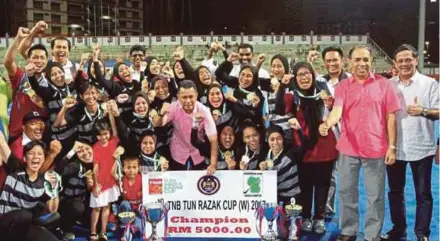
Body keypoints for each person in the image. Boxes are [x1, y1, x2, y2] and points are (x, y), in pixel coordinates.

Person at [319, 46, 401, 241]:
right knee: (346, 191)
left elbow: (391, 117)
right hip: (348, 148)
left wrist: (392, 147)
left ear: (371, 61)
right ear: (350, 62)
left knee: (376, 195)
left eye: (365, 59)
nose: (362, 64)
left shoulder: (385, 85)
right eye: (357, 60)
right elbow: (337, 110)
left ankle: (372, 235)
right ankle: (348, 230)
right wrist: (328, 123)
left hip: (376, 147)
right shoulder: (343, 87)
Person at [381, 44, 439, 241]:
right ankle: (399, 229)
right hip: (395, 147)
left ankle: (422, 233)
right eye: (401, 60)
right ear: (395, 64)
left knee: (423, 193)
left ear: (416, 60)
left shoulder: (429, 83)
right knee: (395, 192)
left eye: (408, 59)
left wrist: (422, 110)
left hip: (422, 146)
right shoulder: (388, 85)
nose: (405, 63)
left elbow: (439, 111)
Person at [0, 132, 60, 241]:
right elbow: (2, 143)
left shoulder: (44, 182)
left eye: (39, 154)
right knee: (25, 215)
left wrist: (54, 189)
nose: (35, 156)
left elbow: (52, 209)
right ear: (25, 158)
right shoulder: (15, 168)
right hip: (4, 222)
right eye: (31, 153)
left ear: (43, 158)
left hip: (23, 227)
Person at [153, 80, 218, 174]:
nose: (188, 101)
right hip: (178, 151)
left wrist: (213, 164)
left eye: (191, 97)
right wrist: (160, 113)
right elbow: (158, 124)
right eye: (184, 97)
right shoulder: (174, 107)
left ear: (196, 95)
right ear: (178, 97)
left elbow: (213, 139)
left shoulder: (204, 111)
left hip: (198, 152)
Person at [90, 119, 121, 241]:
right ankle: (93, 232)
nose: (103, 137)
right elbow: (95, 167)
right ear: (96, 136)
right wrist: (96, 184)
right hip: (100, 182)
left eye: (105, 133)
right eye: (100, 134)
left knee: (107, 206)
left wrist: (112, 116)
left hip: (111, 181)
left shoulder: (114, 142)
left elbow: (114, 128)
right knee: (96, 208)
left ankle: (103, 232)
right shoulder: (95, 147)